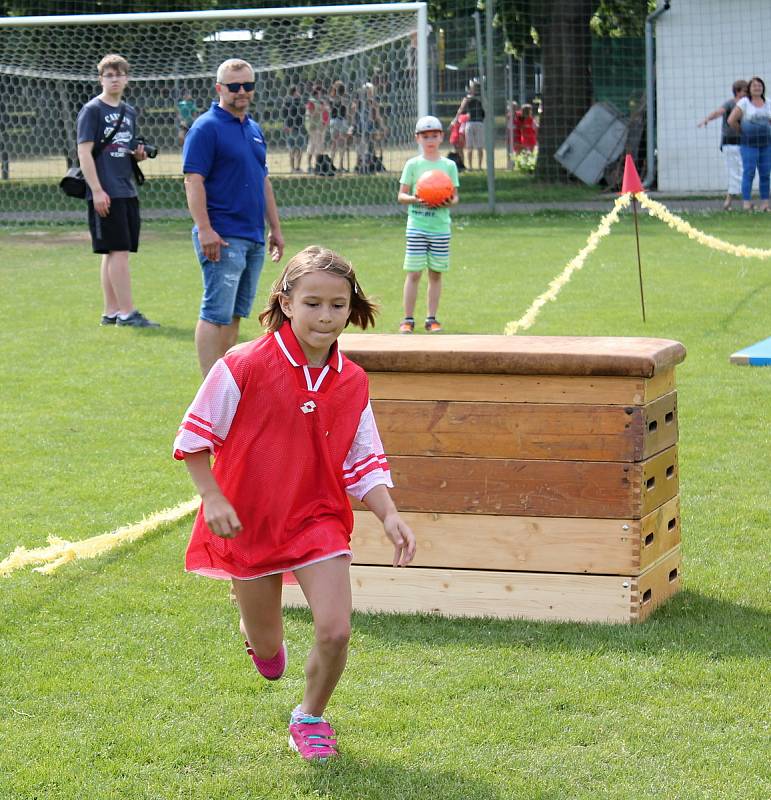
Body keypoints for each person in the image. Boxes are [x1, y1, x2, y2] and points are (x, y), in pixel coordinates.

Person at [173, 245, 416, 762]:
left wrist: (390, 513)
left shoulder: (352, 380)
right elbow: (193, 439)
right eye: (312, 303)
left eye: (337, 304)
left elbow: (363, 456)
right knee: (269, 656)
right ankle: (256, 630)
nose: (325, 317)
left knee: (335, 630)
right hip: (249, 522)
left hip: (318, 517)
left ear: (352, 307)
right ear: (286, 302)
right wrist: (211, 496)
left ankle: (309, 717)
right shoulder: (242, 366)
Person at [182, 58, 285, 377]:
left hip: (253, 236)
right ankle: (209, 390)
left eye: (248, 85)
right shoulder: (206, 127)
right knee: (215, 313)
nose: (242, 91)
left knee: (237, 314)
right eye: (234, 86)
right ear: (219, 88)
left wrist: (275, 228)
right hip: (222, 236)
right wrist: (205, 230)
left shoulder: (253, 129)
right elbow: (192, 180)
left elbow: (262, 180)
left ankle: (227, 381)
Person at [76, 53, 159, 328]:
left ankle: (111, 311)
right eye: (109, 75)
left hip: (126, 189)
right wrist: (97, 190)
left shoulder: (129, 111)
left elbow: (125, 149)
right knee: (119, 251)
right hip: (106, 191)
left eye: (119, 74)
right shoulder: (92, 110)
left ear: (126, 78)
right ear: (101, 79)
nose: (114, 79)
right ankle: (128, 313)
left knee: (113, 252)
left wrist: (139, 155)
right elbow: (84, 152)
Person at [397, 115, 459, 334]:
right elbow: (401, 196)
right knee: (413, 273)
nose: (430, 140)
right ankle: (408, 319)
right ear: (417, 138)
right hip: (417, 227)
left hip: (440, 229)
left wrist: (446, 201)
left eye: (434, 135)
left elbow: (455, 197)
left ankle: (432, 319)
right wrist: (416, 199)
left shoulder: (448, 165)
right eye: (425, 136)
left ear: (441, 137)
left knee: (436, 274)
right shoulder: (413, 165)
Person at [698, 80, 748, 210]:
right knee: (736, 172)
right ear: (738, 92)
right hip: (730, 143)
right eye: (745, 90)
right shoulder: (731, 104)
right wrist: (706, 120)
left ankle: (730, 202)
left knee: (742, 172)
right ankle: (739, 201)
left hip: (743, 143)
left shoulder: (747, 105)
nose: (747, 93)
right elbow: (718, 112)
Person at [728, 76, 771, 212]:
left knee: (765, 174)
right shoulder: (744, 103)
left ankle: (765, 204)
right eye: (754, 85)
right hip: (749, 145)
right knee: (749, 172)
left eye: (759, 85)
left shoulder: (768, 102)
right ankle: (746, 203)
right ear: (749, 89)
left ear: (763, 88)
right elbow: (731, 120)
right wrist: (742, 131)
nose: (757, 87)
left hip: (766, 145)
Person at [453, 80, 485, 170]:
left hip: (476, 123)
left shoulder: (477, 98)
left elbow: (460, 110)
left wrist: (455, 120)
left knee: (477, 146)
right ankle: (473, 167)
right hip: (472, 123)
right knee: (471, 146)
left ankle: (477, 166)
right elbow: (461, 109)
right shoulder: (472, 98)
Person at [304, 84, 329, 174]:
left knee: (314, 146)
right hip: (313, 127)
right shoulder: (312, 102)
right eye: (320, 92)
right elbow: (311, 113)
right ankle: (312, 166)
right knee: (315, 147)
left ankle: (315, 166)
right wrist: (320, 110)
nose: (321, 94)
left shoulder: (319, 102)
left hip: (318, 127)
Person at [281, 85, 305, 173]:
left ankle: (294, 168)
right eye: (298, 91)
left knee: (295, 148)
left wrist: (286, 125)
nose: (300, 93)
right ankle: (295, 168)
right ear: (295, 92)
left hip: (294, 128)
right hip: (294, 128)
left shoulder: (287, 102)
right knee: (296, 148)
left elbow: (284, 115)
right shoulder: (294, 102)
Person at [328, 81, 350, 172]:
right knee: (341, 144)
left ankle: (332, 164)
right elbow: (346, 109)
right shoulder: (343, 98)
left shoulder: (332, 97)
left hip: (334, 121)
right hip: (340, 121)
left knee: (335, 144)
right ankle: (339, 165)